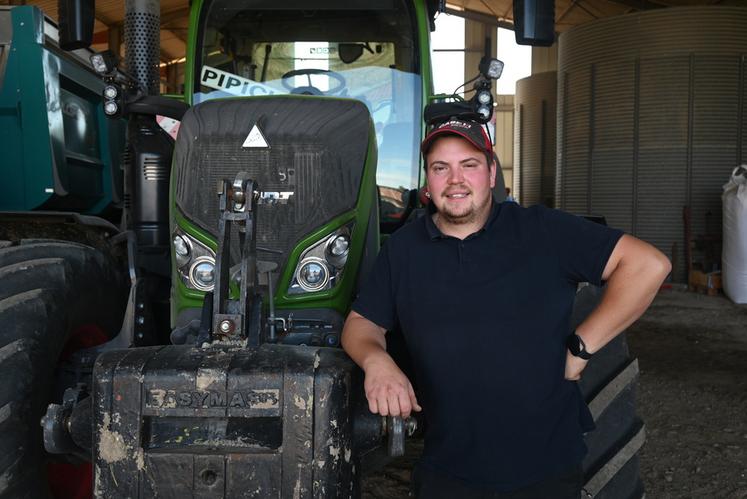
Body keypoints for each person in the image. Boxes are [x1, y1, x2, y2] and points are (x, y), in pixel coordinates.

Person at [341, 118, 671, 498]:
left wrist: (582, 346)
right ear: (427, 183)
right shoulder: (403, 250)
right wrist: (376, 361)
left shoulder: (542, 230)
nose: (455, 179)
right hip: (446, 471)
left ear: (491, 171)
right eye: (440, 168)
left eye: (469, 165)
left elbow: (648, 265)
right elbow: (361, 322)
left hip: (544, 470)